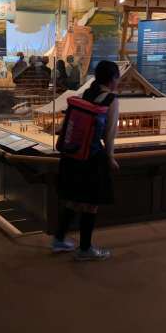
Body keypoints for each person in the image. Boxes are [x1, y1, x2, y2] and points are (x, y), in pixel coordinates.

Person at [52, 60, 120, 261]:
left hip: (73, 155)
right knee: (91, 204)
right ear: (113, 79)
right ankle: (85, 249)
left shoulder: (85, 94)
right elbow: (109, 134)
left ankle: (59, 239)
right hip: (92, 157)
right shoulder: (111, 99)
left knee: (73, 200)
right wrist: (110, 157)